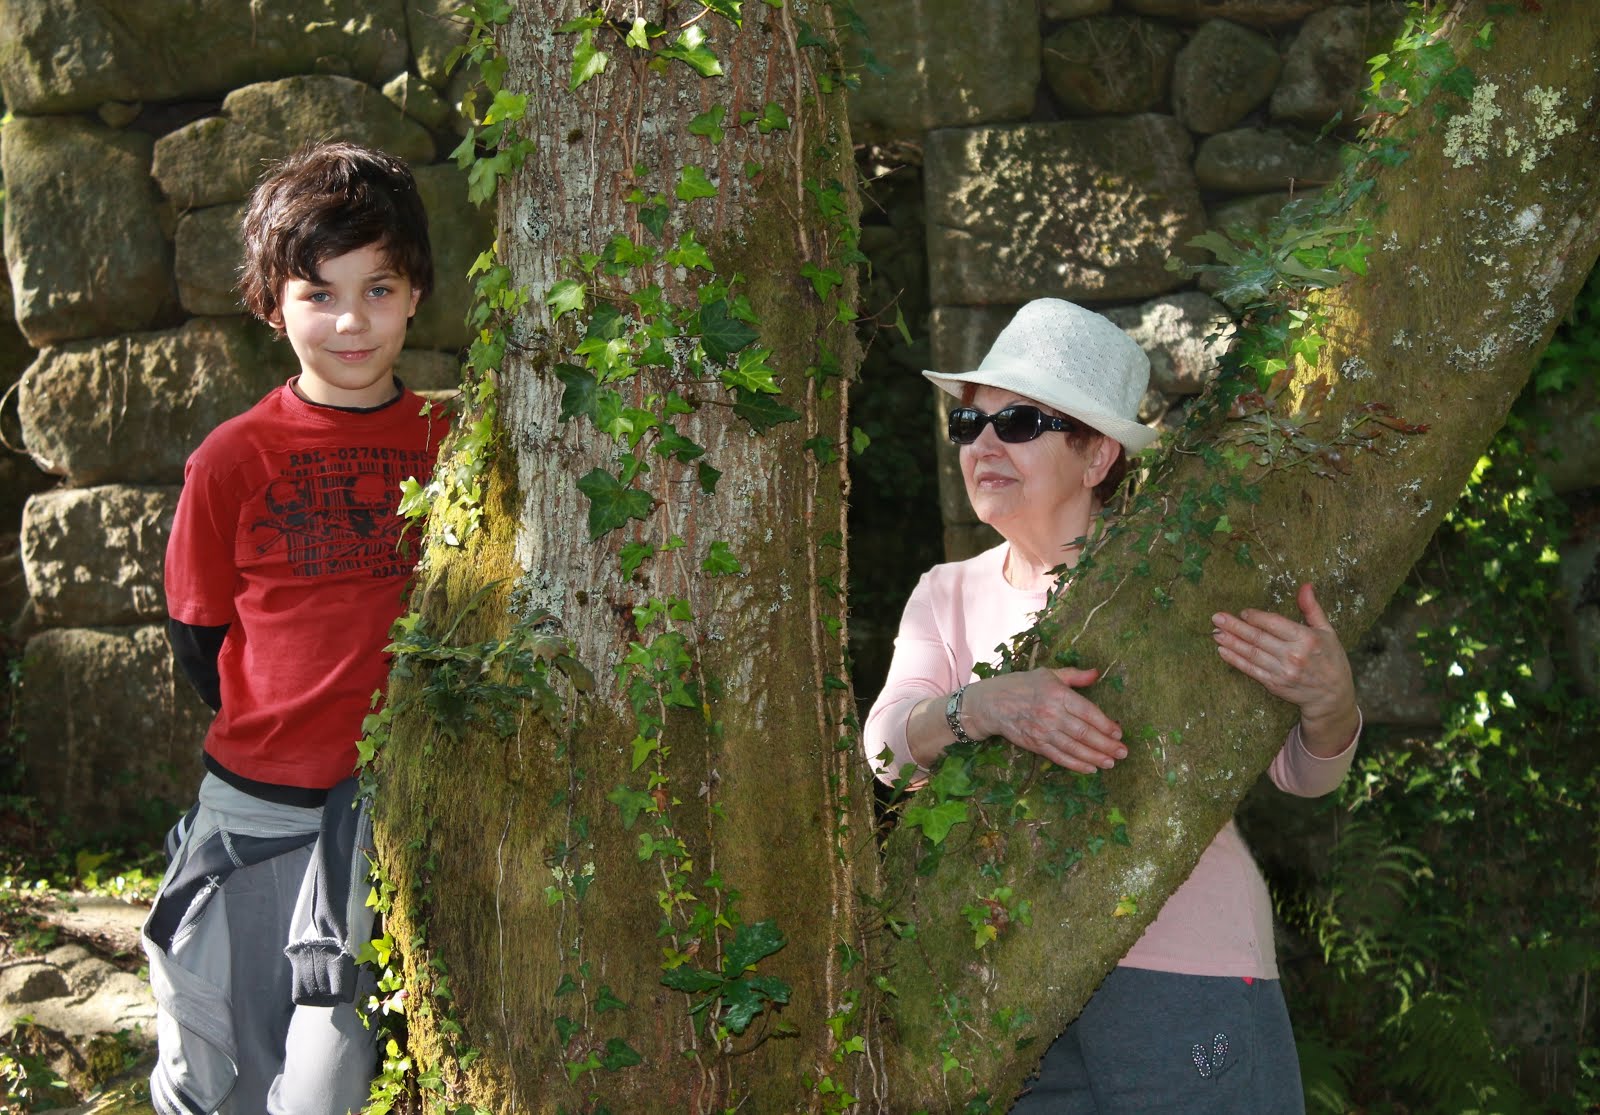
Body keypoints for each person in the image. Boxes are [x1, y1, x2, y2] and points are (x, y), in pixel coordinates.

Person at [863, 298, 1361, 1113]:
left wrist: (1330, 697)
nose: (983, 444)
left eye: (1018, 421)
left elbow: (1305, 773)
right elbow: (884, 750)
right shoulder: (943, 594)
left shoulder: (1176, 588)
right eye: (968, 423)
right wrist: (980, 706)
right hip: (1006, 984)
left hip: (1184, 972)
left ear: (1096, 455)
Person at [141, 141, 448, 1115]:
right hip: (258, 816)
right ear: (272, 304)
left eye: (378, 288)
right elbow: (201, 635)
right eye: (319, 293)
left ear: (416, 294)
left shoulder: (460, 443)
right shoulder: (234, 458)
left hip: (401, 809)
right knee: (217, 1067)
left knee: (326, 1080)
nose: (351, 321)